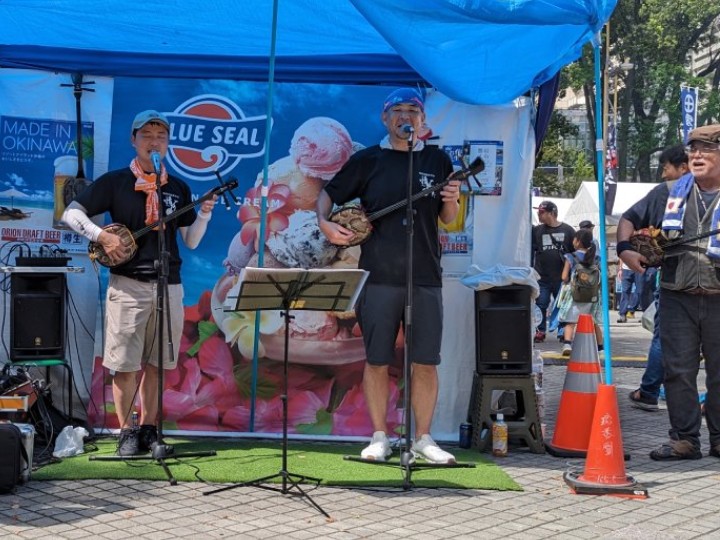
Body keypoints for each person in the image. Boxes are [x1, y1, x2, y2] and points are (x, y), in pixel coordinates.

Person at [316, 88, 461, 464]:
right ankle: (379, 436)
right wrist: (325, 224)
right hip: (378, 276)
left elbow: (447, 220)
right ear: (385, 118)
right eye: (398, 110)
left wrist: (452, 200)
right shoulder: (368, 160)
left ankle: (423, 438)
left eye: (413, 110)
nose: (406, 116)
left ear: (422, 119)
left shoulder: (438, 159)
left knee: (425, 360)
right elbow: (328, 195)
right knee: (377, 359)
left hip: (425, 275)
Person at [62, 110, 217, 456]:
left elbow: (190, 241)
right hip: (128, 285)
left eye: (161, 135)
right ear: (134, 140)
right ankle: (126, 431)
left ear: (168, 143)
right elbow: (70, 213)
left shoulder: (177, 188)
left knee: (158, 364)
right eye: (146, 134)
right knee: (126, 363)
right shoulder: (116, 181)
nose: (154, 141)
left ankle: (149, 428)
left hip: (169, 285)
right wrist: (101, 235)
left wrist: (204, 212)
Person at [617, 124, 720, 460]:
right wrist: (624, 250)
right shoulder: (670, 191)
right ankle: (685, 439)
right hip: (677, 294)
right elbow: (629, 219)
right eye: (693, 149)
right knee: (678, 370)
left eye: (707, 148)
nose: (697, 155)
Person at [628, 143, 689, 411]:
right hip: (692, 281)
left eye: (666, 168)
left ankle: (651, 389)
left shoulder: (668, 192)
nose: (664, 174)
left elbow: (631, 217)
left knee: (664, 337)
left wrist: (625, 248)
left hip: (677, 280)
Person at [531, 201, 575, 342]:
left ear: (552, 213)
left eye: (542, 212)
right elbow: (531, 250)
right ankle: (540, 330)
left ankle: (562, 332)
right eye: (539, 212)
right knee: (541, 304)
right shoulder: (536, 231)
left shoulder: (568, 230)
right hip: (542, 276)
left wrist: (571, 274)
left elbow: (574, 253)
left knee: (563, 305)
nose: (539, 214)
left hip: (562, 277)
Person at [557, 229, 603, 356]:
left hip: (575, 295)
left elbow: (564, 277)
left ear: (577, 241)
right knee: (593, 322)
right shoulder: (596, 257)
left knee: (570, 321)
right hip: (592, 296)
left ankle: (567, 344)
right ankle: (600, 348)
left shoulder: (570, 257)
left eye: (574, 239)